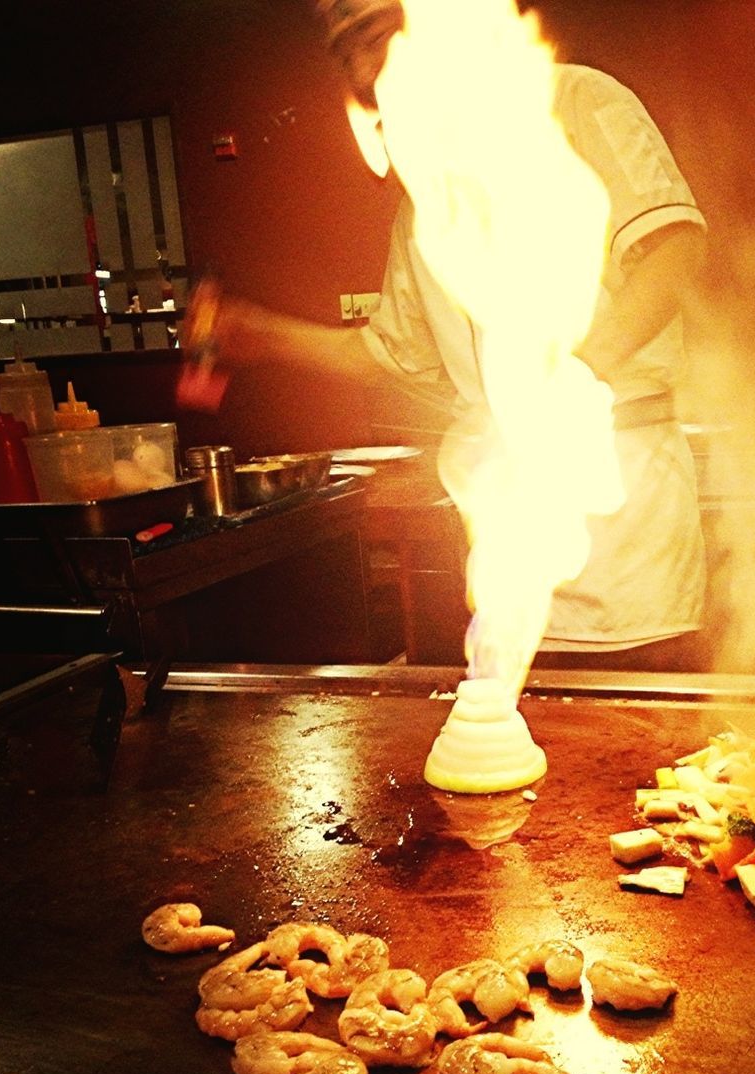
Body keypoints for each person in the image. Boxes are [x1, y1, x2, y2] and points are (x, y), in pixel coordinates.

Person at [191, 0, 708, 672]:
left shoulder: (577, 104)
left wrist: (561, 381)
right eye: (344, 52)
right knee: (518, 754)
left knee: (641, 746)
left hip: (626, 532)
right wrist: (264, 335)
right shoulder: (420, 205)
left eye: (374, 37)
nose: (361, 66)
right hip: (504, 538)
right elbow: (391, 351)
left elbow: (673, 252)